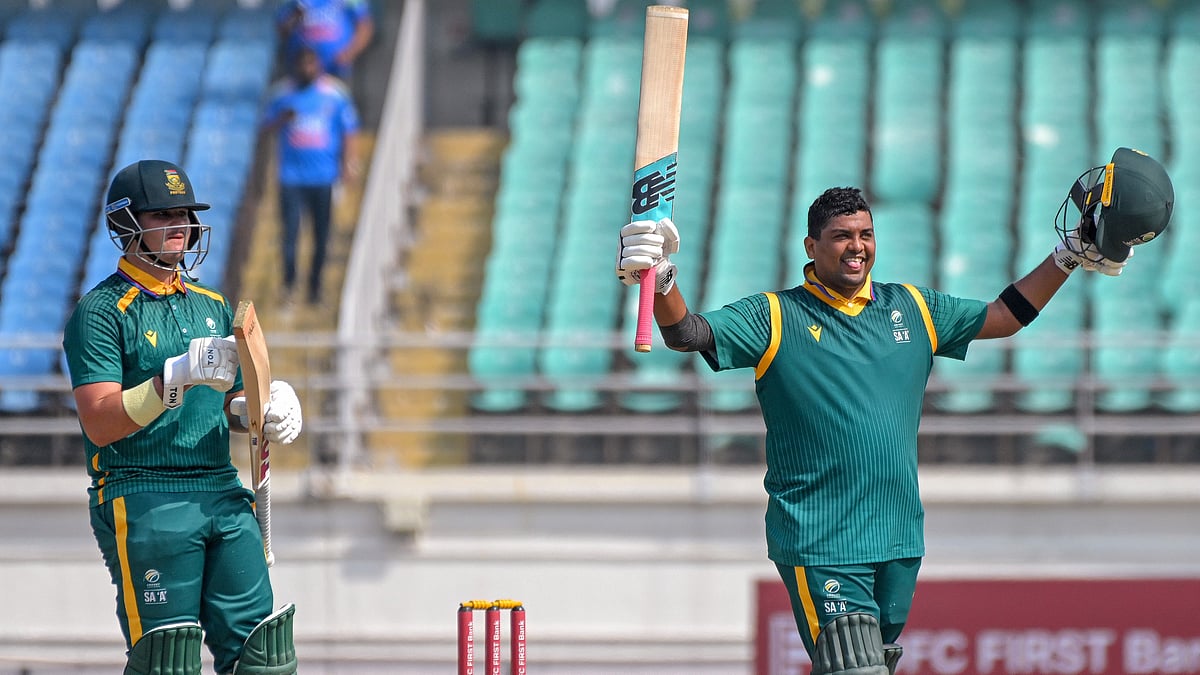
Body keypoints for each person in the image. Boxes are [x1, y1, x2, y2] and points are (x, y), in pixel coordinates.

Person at [615, 147, 1174, 674]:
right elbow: (687, 333)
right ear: (810, 246)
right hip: (820, 540)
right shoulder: (776, 315)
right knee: (855, 666)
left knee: (871, 663)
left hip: (898, 536)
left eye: (865, 235)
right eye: (840, 237)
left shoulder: (912, 307)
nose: (856, 247)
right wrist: (660, 277)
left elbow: (1004, 317)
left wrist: (1066, 257)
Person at [63, 159, 305, 675]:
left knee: (264, 657)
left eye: (185, 215)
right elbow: (100, 423)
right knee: (166, 662)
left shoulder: (214, 304)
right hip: (143, 492)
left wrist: (265, 409)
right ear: (127, 223)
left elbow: (232, 404)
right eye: (162, 215)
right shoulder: (101, 311)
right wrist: (169, 381)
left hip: (221, 488)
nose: (180, 225)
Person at [262, 45, 362, 308]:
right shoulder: (283, 94)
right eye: (302, 64)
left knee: (322, 236)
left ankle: (315, 288)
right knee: (290, 234)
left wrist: (349, 165)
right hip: (291, 178)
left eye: (311, 64)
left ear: (318, 66)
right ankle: (289, 285)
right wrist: (282, 119)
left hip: (323, 177)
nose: (307, 69)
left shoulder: (335, 94)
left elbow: (349, 129)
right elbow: (266, 126)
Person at [276, 0, 375, 81]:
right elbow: (281, 28)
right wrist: (295, 15)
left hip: (336, 71)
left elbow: (365, 25)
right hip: (299, 73)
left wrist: (350, 53)